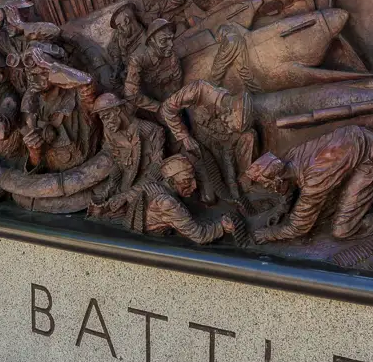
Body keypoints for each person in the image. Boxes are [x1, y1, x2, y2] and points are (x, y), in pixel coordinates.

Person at [241, 125, 373, 243]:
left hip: (371, 154)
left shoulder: (314, 181)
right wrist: (282, 208)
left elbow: (299, 227)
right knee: (326, 209)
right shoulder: (289, 159)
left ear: (278, 178)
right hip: (352, 140)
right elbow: (290, 185)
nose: (269, 188)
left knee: (342, 229)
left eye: (268, 185)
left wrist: (269, 234)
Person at [88, 154, 238, 245]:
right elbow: (199, 235)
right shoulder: (167, 203)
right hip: (150, 244)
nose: (194, 186)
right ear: (172, 182)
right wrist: (222, 227)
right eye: (186, 181)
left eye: (193, 180)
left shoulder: (154, 186)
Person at [160, 79, 255, 203]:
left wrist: (232, 183)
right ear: (228, 111)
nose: (230, 128)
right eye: (230, 124)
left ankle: (244, 180)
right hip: (189, 140)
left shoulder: (230, 118)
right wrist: (184, 136)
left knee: (250, 135)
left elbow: (228, 149)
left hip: (214, 144)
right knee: (210, 197)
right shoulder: (198, 90)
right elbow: (167, 109)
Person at [19, 46, 98, 171]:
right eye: (31, 73)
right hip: (54, 183)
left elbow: (88, 82)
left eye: (42, 72)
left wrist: (50, 66)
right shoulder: (31, 107)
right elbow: (37, 172)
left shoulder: (77, 97)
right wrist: (34, 155)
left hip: (88, 171)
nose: (35, 79)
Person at [91, 92, 165, 195]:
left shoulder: (150, 131)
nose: (106, 124)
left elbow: (158, 166)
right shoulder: (112, 135)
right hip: (124, 188)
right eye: (103, 119)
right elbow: (118, 162)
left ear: (117, 110)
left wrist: (130, 194)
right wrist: (111, 186)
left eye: (107, 116)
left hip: (147, 190)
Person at [124, 19, 182, 114]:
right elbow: (131, 94)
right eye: (163, 41)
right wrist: (159, 108)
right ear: (151, 42)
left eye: (171, 39)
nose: (171, 45)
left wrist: (172, 102)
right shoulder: (138, 59)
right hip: (149, 108)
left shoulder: (171, 56)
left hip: (170, 100)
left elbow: (177, 81)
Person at [105, 3, 145, 88]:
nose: (119, 30)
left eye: (119, 26)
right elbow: (115, 50)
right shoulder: (121, 34)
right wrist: (117, 69)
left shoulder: (145, 42)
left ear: (127, 20)